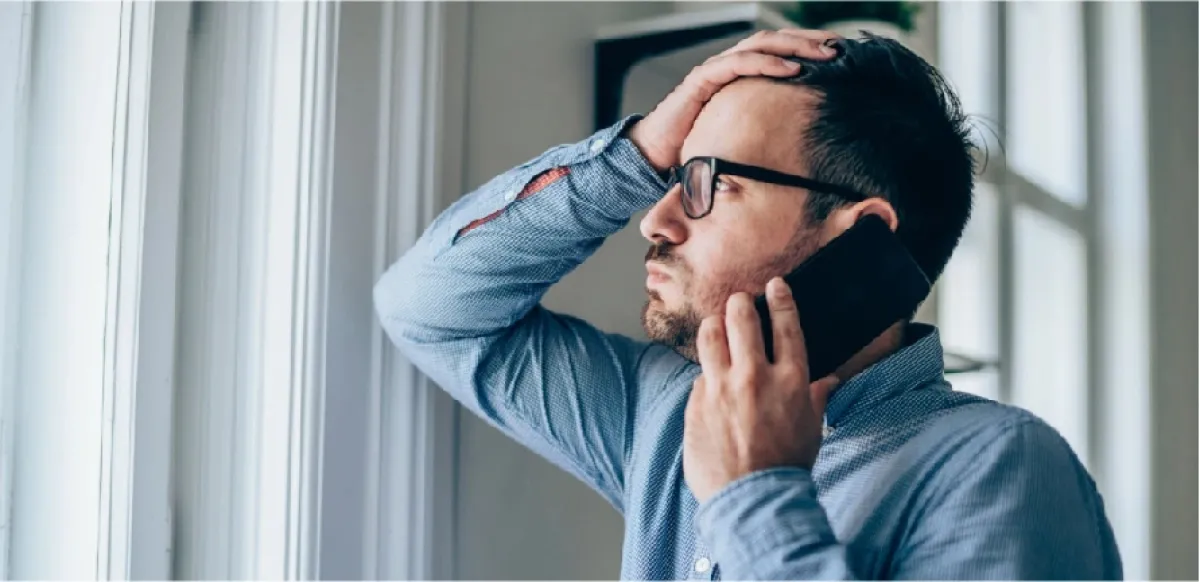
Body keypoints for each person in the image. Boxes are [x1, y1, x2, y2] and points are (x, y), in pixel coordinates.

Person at [374, 29, 1122, 580]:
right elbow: (433, 308)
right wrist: (633, 157)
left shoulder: (1003, 469)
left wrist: (755, 496)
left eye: (707, 181)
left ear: (857, 237)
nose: (655, 219)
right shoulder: (664, 414)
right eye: (670, 175)